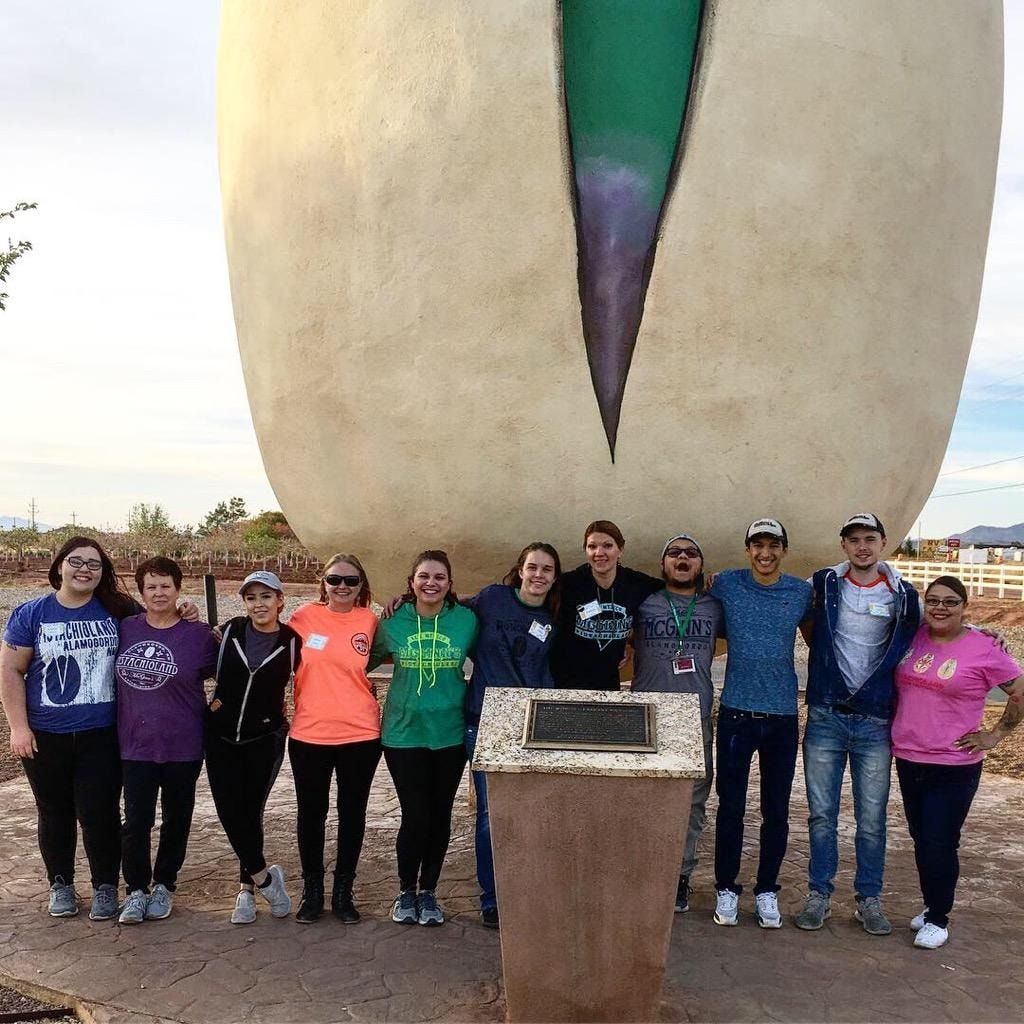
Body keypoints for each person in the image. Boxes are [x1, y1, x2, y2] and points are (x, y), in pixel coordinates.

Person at [0, 537, 137, 921]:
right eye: (76, 561)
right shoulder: (31, 614)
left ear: (103, 573)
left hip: (102, 734)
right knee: (54, 810)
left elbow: (160, 624)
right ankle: (60, 884)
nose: (84, 569)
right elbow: (11, 670)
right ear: (59, 565)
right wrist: (18, 728)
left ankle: (106, 886)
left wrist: (188, 609)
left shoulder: (117, 609)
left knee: (100, 811)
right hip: (46, 735)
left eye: (94, 564)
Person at [796, 513, 920, 936]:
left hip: (875, 720)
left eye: (870, 539)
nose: (862, 546)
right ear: (844, 545)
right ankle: (819, 895)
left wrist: (979, 632)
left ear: (883, 542)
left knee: (871, 818)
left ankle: (869, 899)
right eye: (854, 540)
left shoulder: (903, 594)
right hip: (827, 716)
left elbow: (927, 632)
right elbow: (800, 619)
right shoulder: (824, 584)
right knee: (821, 815)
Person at [892, 575, 1023, 950]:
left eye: (950, 602)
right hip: (909, 755)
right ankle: (932, 902)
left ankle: (938, 918)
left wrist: (995, 735)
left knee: (940, 840)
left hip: (954, 764)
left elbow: (1019, 691)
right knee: (922, 838)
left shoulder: (984, 648)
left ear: (965, 606)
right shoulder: (915, 635)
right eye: (933, 600)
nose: (940, 607)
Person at [709, 518, 813, 928]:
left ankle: (767, 890)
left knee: (776, 810)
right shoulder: (726, 585)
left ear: (784, 549)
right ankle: (726, 888)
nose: (765, 553)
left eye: (773, 545)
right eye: (758, 545)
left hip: (782, 717)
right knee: (730, 807)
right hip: (736, 713)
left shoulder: (800, 592)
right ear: (747, 548)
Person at [371, 550, 478, 927]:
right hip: (403, 734)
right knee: (415, 815)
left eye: (439, 577)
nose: (430, 583)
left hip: (449, 733)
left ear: (449, 583)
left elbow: (491, 657)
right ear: (411, 582)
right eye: (423, 576)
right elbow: (360, 659)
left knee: (440, 814)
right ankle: (406, 891)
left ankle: (429, 891)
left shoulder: (466, 621)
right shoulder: (391, 621)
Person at [116, 557, 219, 924]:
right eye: (151, 587)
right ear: (141, 592)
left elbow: (227, 675)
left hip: (184, 745)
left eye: (166, 586)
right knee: (136, 820)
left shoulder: (199, 635)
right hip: (135, 744)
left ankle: (164, 885)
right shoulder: (125, 629)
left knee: (177, 818)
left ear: (178, 589)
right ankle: (136, 890)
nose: (159, 593)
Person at [463, 542, 561, 928]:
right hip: (484, 719)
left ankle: (527, 890)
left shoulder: (554, 619)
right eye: (533, 567)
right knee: (489, 814)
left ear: (554, 578)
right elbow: (446, 609)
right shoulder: (491, 599)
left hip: (531, 725)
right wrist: (402, 600)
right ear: (520, 569)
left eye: (547, 570)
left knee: (531, 813)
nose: (539, 575)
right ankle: (492, 898)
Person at [287, 554, 383, 924]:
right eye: (334, 579)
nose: (342, 587)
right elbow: (261, 629)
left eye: (351, 581)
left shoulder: (372, 621)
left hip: (360, 734)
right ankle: (313, 891)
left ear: (362, 586)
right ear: (323, 583)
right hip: (310, 734)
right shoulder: (302, 619)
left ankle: (344, 890)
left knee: (352, 813)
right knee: (311, 814)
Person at [631, 533, 723, 915]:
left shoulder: (716, 607)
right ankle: (642, 872)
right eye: (674, 553)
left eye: (691, 554)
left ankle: (679, 875)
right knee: (643, 799)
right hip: (648, 713)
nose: (682, 559)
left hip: (694, 715)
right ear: (663, 564)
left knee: (692, 801)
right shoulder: (643, 604)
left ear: (700, 565)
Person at [205, 570, 300, 924]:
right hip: (220, 736)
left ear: (280, 601)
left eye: (265, 596)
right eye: (251, 597)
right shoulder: (228, 631)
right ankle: (265, 879)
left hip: (265, 739)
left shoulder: (292, 642)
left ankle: (246, 889)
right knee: (229, 811)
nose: (258, 604)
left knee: (250, 811)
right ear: (243, 603)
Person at [549, 520, 661, 691]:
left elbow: (675, 588)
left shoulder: (635, 584)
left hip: (607, 683)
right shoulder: (568, 584)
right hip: (566, 684)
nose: (599, 553)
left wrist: (631, 641)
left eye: (607, 546)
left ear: (620, 549)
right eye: (592, 547)